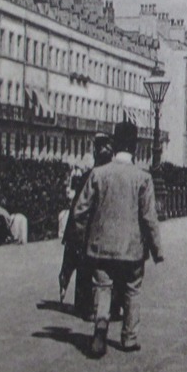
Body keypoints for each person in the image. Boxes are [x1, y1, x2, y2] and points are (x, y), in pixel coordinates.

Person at [70, 120, 163, 359]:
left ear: (113, 145)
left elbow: (79, 211)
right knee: (132, 290)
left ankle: (100, 328)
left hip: (101, 247)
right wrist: (157, 249)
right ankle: (129, 338)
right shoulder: (142, 178)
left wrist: (81, 239)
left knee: (103, 287)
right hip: (132, 248)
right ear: (134, 146)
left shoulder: (98, 174)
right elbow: (149, 217)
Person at [61, 133, 113, 319]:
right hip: (99, 230)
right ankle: (101, 308)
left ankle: (87, 307)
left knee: (87, 267)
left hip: (88, 231)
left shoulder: (88, 176)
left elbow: (77, 208)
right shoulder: (103, 176)